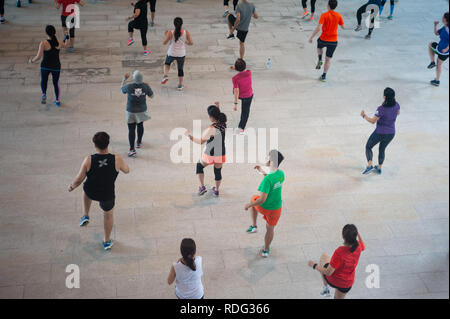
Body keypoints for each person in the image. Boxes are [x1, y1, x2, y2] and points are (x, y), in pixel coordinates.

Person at [68, 132, 130, 250]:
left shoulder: (89, 159)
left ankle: (85, 215)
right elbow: (127, 170)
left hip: (91, 190)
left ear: (94, 145)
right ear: (108, 143)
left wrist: (71, 186)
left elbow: (79, 179)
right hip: (107, 194)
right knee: (108, 215)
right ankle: (106, 241)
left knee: (85, 191)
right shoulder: (117, 159)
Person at [244, 150, 285, 258]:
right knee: (270, 229)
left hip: (265, 207)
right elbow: (271, 178)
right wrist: (262, 171)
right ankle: (266, 250)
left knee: (254, 200)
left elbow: (262, 199)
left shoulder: (267, 180)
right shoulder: (281, 174)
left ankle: (254, 226)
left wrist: (250, 205)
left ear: (271, 161)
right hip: (276, 208)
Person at [307, 224, 366, 299]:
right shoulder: (358, 247)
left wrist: (314, 265)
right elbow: (364, 245)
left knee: (324, 257)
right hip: (347, 284)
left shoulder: (340, 252)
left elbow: (328, 272)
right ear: (355, 236)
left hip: (333, 280)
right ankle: (326, 290)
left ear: (342, 236)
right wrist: (357, 233)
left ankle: (326, 289)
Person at [185, 103, 227, 197]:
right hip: (221, 153)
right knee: (217, 171)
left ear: (211, 117)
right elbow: (218, 117)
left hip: (210, 154)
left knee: (199, 166)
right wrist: (217, 107)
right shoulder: (223, 124)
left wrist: (189, 136)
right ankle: (216, 190)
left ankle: (202, 187)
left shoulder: (212, 129)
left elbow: (200, 141)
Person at [361, 87, 400, 175]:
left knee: (368, 147)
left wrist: (364, 116)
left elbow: (372, 121)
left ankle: (370, 165)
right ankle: (379, 168)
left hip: (380, 132)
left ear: (385, 97)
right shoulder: (397, 105)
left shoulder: (381, 109)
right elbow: (398, 113)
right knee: (382, 149)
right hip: (391, 133)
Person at [28, 25, 69, 107]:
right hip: (56, 66)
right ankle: (57, 100)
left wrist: (31, 61)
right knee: (56, 83)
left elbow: (38, 57)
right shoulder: (59, 42)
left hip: (45, 66)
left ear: (46, 33)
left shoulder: (43, 43)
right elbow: (66, 45)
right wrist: (67, 36)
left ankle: (44, 94)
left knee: (44, 81)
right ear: (54, 32)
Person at [308, 0, 345, 82]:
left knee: (319, 47)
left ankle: (320, 58)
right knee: (328, 59)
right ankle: (324, 76)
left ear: (328, 5)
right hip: (333, 41)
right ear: (336, 6)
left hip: (323, 39)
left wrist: (311, 37)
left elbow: (318, 28)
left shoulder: (324, 15)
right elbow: (343, 27)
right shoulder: (338, 15)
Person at [121, 71, 154, 157]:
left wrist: (124, 79)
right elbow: (152, 96)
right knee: (140, 125)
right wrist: (147, 86)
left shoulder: (129, 87)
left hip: (131, 111)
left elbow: (122, 90)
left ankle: (132, 149)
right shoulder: (145, 86)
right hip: (141, 111)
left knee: (131, 130)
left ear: (134, 78)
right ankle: (139, 142)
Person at [161, 17, 194, 91]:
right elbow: (191, 43)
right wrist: (185, 41)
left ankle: (165, 75)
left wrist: (166, 35)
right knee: (180, 69)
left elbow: (164, 43)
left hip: (172, 52)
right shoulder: (186, 32)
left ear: (174, 24)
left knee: (167, 64)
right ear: (182, 24)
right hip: (181, 54)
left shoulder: (170, 32)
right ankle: (180, 85)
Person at [232, 58, 253, 135]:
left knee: (235, 89)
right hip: (249, 95)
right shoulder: (249, 72)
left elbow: (236, 91)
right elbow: (243, 70)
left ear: (236, 68)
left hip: (240, 95)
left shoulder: (235, 78)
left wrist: (235, 103)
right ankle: (241, 128)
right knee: (245, 112)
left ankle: (240, 129)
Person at [428, 12, 449, 87]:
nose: (442, 18)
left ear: (446, 20)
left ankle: (437, 80)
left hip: (444, 52)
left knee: (439, 65)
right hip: (439, 48)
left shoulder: (448, 30)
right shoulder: (445, 27)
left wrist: (446, 48)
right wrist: (435, 25)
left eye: (443, 17)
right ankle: (432, 62)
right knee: (430, 44)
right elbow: (436, 33)